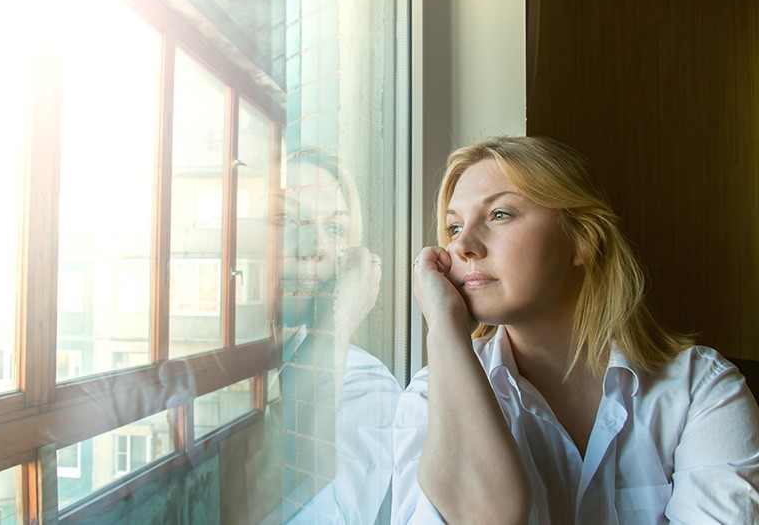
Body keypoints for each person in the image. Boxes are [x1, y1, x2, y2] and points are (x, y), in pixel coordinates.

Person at [393, 136, 759, 524]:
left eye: (499, 214)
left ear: (583, 240)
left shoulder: (700, 389)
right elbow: (485, 517)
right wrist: (446, 332)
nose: (463, 245)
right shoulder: (427, 401)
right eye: (453, 226)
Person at [270, 154, 401, 524]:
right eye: (285, 220)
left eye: (336, 230)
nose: (316, 248)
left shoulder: (365, 386)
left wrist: (336, 321)